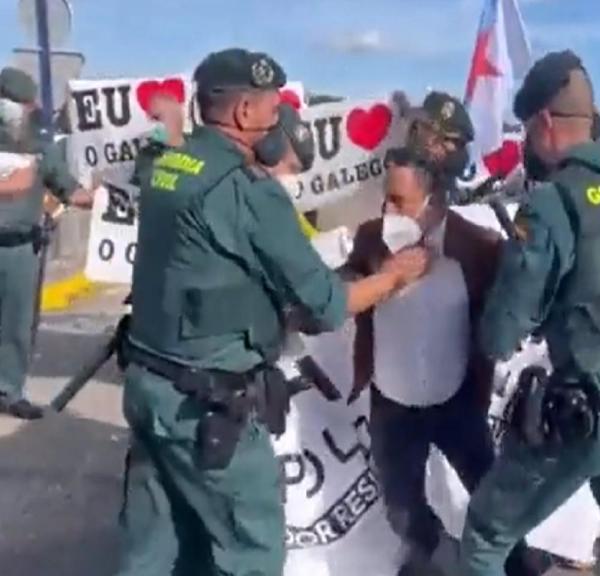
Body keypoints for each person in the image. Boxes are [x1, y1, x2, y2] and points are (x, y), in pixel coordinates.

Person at [115, 48, 428, 576]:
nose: (277, 118)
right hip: (207, 407)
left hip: (148, 385)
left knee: (157, 549)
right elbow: (328, 306)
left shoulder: (168, 164)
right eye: (271, 107)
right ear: (244, 113)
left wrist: (168, 124)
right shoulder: (249, 193)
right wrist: (394, 275)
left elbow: (161, 158)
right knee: (253, 552)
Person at [459, 49, 600, 576]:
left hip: (593, 408)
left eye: (525, 130)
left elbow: (503, 331)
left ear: (543, 122)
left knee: (486, 533)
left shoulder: (552, 202)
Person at [343, 144, 541, 576]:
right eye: (386, 198)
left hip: (458, 398)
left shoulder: (477, 245)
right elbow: (346, 281)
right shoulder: (371, 237)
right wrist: (379, 275)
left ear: (433, 203)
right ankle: (428, 554)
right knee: (401, 504)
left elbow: (514, 301)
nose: (388, 210)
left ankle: (518, 564)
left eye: (400, 201)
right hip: (393, 401)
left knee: (487, 492)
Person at [0, 67, 94, 420]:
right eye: (19, 103)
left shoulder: (40, 145)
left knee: (17, 324)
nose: (27, 109)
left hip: (22, 248)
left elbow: (67, 188)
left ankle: (8, 391)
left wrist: (102, 197)